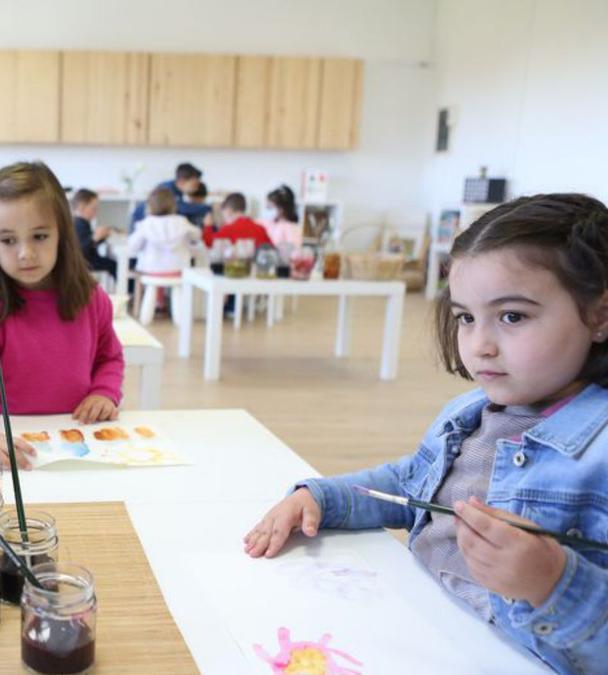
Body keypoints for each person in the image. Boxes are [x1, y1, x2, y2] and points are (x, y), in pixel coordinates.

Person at [243, 194, 608, 675]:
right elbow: (411, 484)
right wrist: (321, 498)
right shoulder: (470, 413)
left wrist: (552, 582)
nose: (480, 345)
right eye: (466, 318)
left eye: (513, 316)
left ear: (600, 315)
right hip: (415, 627)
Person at [0, 162, 126, 468]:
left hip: (76, 446)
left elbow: (110, 358)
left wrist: (105, 391)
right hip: (8, 451)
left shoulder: (92, 299)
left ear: (62, 234)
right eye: (8, 240)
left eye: (39, 236)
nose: (25, 253)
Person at [130, 162, 211, 229]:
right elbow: (180, 208)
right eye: (194, 184)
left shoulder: (177, 190)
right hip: (142, 222)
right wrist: (207, 207)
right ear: (182, 181)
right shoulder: (167, 190)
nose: (196, 188)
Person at [72, 188, 116, 279]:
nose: (95, 212)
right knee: (113, 265)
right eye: (93, 209)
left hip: (89, 259)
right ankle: (128, 290)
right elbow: (81, 250)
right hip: (85, 262)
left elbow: (89, 244)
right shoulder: (79, 224)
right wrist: (94, 238)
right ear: (82, 207)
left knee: (111, 263)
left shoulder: (82, 223)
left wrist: (101, 237)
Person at [203, 193, 273, 248]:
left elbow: (209, 243)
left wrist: (208, 227)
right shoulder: (260, 228)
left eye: (223, 215)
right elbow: (271, 249)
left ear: (228, 210)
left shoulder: (228, 229)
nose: (224, 219)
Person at [263, 184, 302, 249]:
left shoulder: (291, 228)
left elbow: (293, 253)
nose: (266, 211)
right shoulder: (272, 224)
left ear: (281, 209)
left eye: (269, 208)